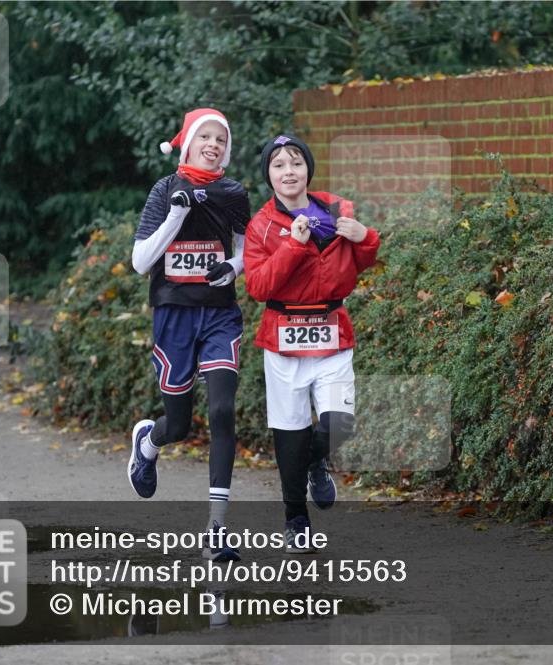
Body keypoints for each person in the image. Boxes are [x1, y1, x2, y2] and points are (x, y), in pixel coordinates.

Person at [243, 134, 380, 552]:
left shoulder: (338, 209)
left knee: (340, 425)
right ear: (269, 174)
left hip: (332, 332)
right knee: (290, 433)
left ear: (308, 170)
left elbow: (361, 261)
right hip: (283, 339)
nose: (289, 171)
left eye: (296, 163)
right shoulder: (261, 226)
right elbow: (258, 285)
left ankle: (318, 460)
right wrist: (293, 245)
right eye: (279, 164)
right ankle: (296, 520)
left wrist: (366, 237)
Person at [127, 108, 249, 562]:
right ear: (188, 142)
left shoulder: (233, 193)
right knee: (178, 425)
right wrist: (175, 219)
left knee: (221, 411)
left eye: (221, 139)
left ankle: (217, 530)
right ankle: (149, 441)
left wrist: (231, 268)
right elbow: (141, 262)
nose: (214, 144)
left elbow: (245, 252)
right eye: (206, 137)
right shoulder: (164, 190)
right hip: (174, 316)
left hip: (219, 316)